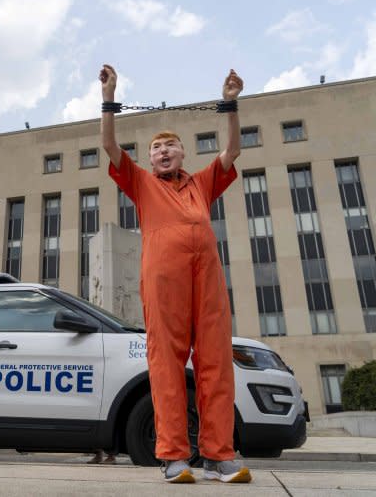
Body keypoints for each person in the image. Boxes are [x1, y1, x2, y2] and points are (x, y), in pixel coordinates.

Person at [99, 64, 251, 484]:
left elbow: (232, 150)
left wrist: (230, 105)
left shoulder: (202, 184)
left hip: (208, 282)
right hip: (164, 283)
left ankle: (219, 456)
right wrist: (110, 99)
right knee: (166, 364)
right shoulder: (142, 184)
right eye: (157, 148)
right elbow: (110, 145)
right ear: (150, 159)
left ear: (183, 153)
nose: (163, 152)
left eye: (171, 146)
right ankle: (173, 457)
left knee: (216, 363)